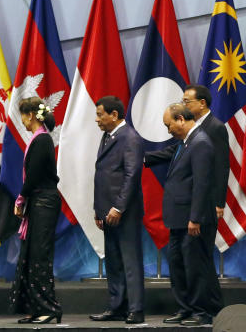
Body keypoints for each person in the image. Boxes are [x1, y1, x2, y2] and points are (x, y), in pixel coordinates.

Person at [156, 103, 221, 326]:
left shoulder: (201, 142)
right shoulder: (186, 142)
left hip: (193, 220)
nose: (168, 130)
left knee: (196, 268)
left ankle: (201, 311)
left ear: (181, 119)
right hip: (179, 219)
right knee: (178, 265)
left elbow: (201, 185)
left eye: (169, 125)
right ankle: (185, 308)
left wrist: (195, 218)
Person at [88, 96, 145, 324]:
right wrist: (99, 209)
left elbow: (132, 176)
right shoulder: (108, 136)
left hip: (125, 212)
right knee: (113, 262)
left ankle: (136, 309)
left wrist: (118, 207)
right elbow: (104, 175)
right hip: (107, 212)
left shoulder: (130, 137)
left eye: (100, 114)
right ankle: (117, 306)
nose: (97, 119)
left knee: (130, 261)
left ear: (114, 115)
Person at [9, 97, 62, 324]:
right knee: (30, 256)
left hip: (44, 202)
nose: (21, 120)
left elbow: (33, 176)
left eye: (22, 115)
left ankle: (48, 308)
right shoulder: (38, 139)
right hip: (38, 202)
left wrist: (20, 199)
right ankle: (34, 305)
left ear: (30, 115)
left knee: (40, 256)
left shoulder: (41, 141)